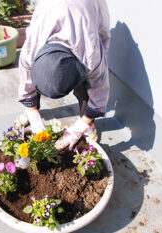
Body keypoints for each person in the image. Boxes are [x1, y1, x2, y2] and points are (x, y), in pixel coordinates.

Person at [17, 0, 110, 151]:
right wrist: (34, 118)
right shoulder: (29, 52)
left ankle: (87, 120)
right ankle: (32, 110)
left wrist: (78, 128)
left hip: (89, 5)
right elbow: (26, 86)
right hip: (51, 6)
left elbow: (100, 93)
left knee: (88, 85)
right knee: (45, 77)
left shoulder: (91, 57)